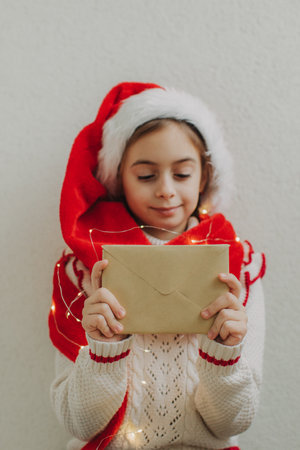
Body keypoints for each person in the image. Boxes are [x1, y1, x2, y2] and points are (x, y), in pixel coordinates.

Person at [49, 82, 266, 450]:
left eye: (181, 174)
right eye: (146, 176)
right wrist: (104, 350)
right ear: (119, 178)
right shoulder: (83, 269)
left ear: (205, 177)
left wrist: (224, 356)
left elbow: (234, 421)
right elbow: (79, 423)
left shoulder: (238, 268)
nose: (165, 190)